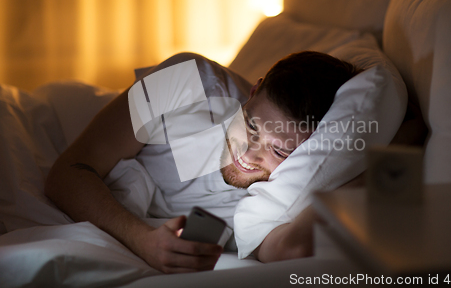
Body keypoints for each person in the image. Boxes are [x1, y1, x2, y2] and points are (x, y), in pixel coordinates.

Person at [44, 51, 359, 274]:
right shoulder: (189, 82)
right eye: (250, 127)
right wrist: (144, 242)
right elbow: (67, 173)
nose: (248, 155)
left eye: (278, 151)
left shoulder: (290, 188)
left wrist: (385, 151)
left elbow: (293, 251)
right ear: (254, 91)